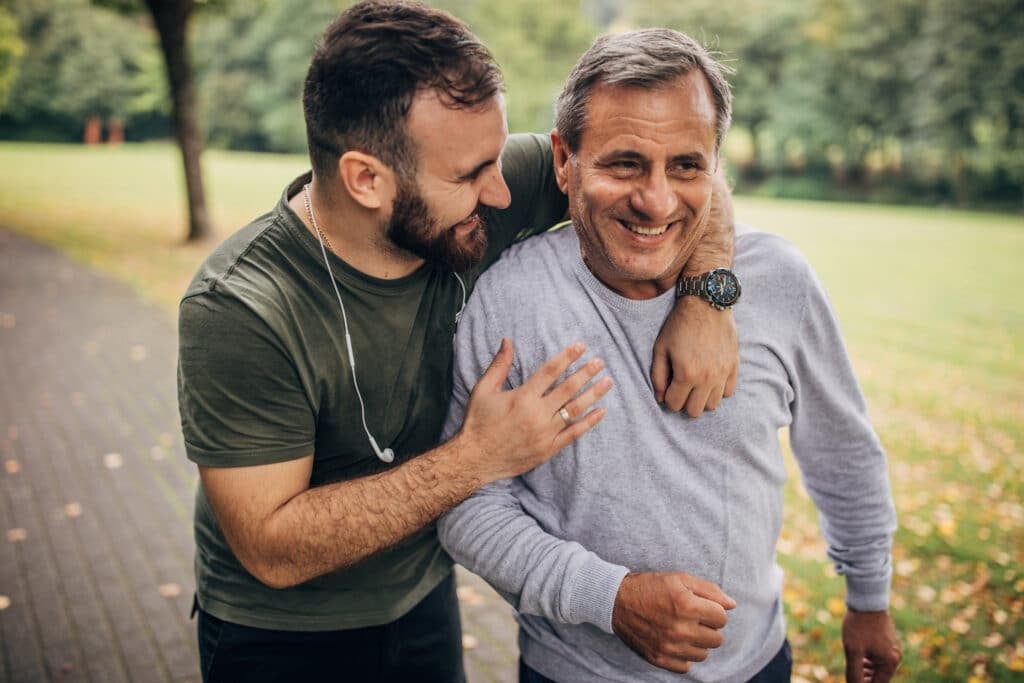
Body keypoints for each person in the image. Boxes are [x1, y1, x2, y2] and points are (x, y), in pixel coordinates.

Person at [176, 2, 739, 681]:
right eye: (469, 175)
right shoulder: (242, 309)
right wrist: (476, 458)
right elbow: (271, 546)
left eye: (497, 160)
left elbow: (678, 163)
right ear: (367, 180)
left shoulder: (486, 189)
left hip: (423, 604)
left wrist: (708, 293)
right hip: (278, 635)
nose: (501, 192)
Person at [439, 28, 902, 683]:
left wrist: (869, 597)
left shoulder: (778, 281)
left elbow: (844, 452)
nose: (655, 201)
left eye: (686, 165)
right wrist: (611, 597)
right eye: (624, 163)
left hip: (756, 665)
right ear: (565, 161)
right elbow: (468, 504)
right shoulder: (509, 298)